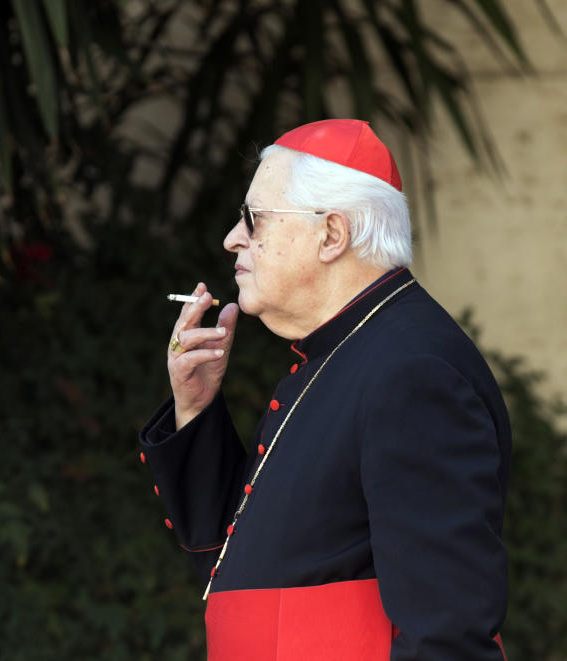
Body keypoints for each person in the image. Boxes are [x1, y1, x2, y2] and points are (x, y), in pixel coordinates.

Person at [139, 119, 510, 661]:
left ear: (331, 234)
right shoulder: (337, 355)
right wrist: (195, 409)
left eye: (254, 218)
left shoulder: (414, 373)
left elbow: (447, 635)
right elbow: (241, 566)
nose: (232, 238)